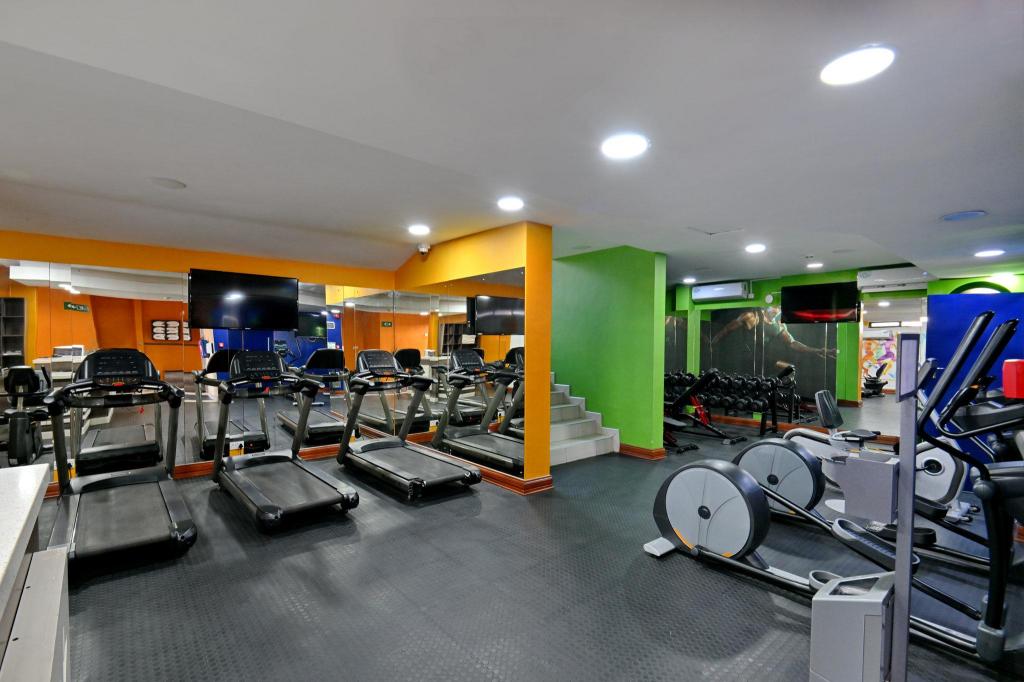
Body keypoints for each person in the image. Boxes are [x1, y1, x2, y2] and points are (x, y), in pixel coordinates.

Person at [710, 307, 837, 360]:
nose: (777, 310)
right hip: (746, 358)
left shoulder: (779, 324)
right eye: (775, 306)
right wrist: (712, 344)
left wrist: (818, 350)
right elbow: (726, 330)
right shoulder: (751, 317)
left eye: (779, 307)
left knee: (789, 369)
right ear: (767, 306)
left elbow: (792, 343)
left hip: (764, 359)